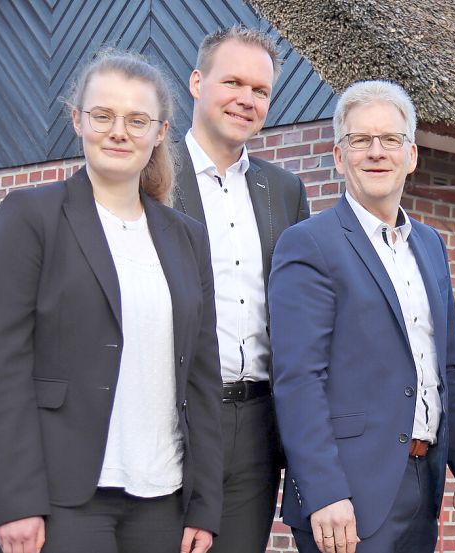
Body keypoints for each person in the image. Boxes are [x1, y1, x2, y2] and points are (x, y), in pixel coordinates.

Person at [0, 49, 222, 553]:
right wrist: (15, 499)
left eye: (136, 120)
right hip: (59, 498)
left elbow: (202, 376)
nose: (118, 131)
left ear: (160, 132)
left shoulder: (187, 238)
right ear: (78, 120)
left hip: (162, 500)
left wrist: (205, 504)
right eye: (103, 115)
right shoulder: (29, 217)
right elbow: (0, 367)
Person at [268, 80, 455, 553]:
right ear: (340, 157)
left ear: (412, 155)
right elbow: (298, 379)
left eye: (390, 140)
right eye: (360, 140)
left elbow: (446, 370)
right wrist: (325, 491)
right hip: (348, 495)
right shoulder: (309, 244)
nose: (376, 152)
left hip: (423, 485)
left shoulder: (431, 246)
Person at [172, 26, 310, 553]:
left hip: (256, 427)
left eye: (260, 90)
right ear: (196, 82)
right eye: (233, 82)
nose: (246, 100)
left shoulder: (285, 190)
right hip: (172, 419)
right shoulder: (151, 172)